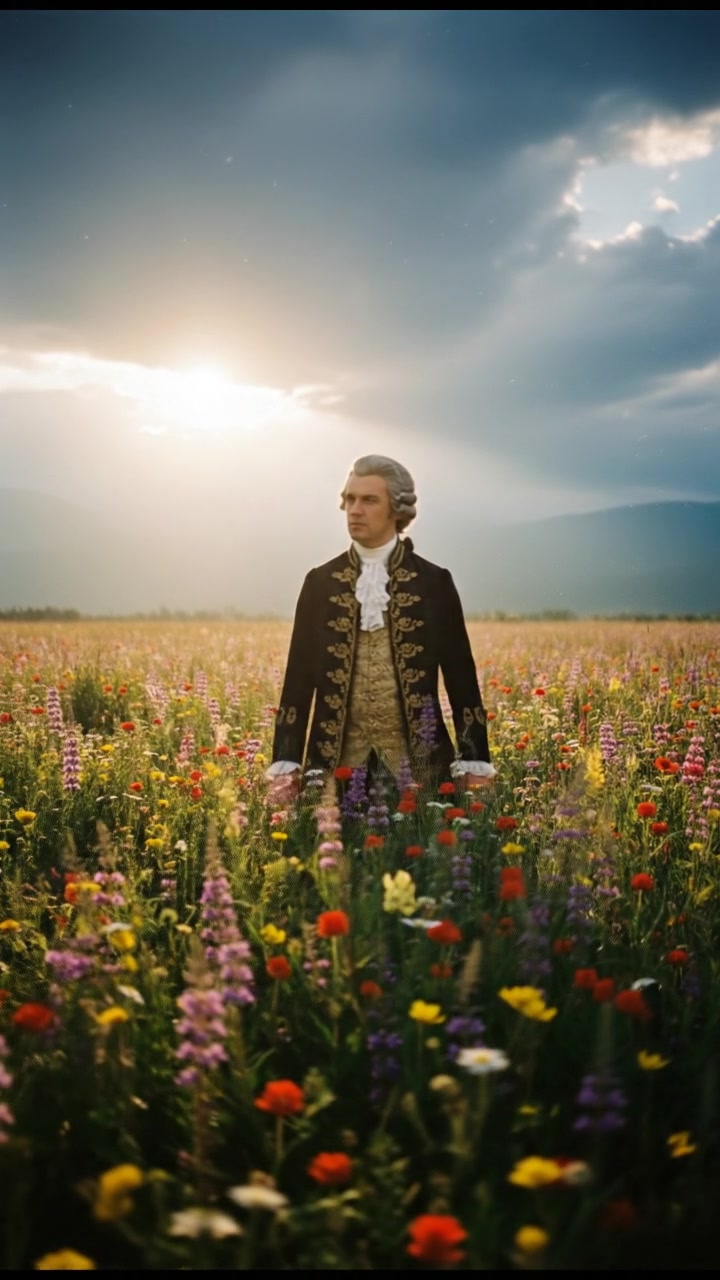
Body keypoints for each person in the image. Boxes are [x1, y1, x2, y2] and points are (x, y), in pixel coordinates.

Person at [265, 455, 496, 801]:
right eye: (350, 499)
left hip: (423, 771)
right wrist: (286, 762)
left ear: (397, 510)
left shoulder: (434, 583)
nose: (355, 510)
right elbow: (297, 679)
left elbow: (461, 678)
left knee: (427, 836)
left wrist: (475, 760)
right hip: (330, 771)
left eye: (369, 500)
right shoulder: (320, 583)